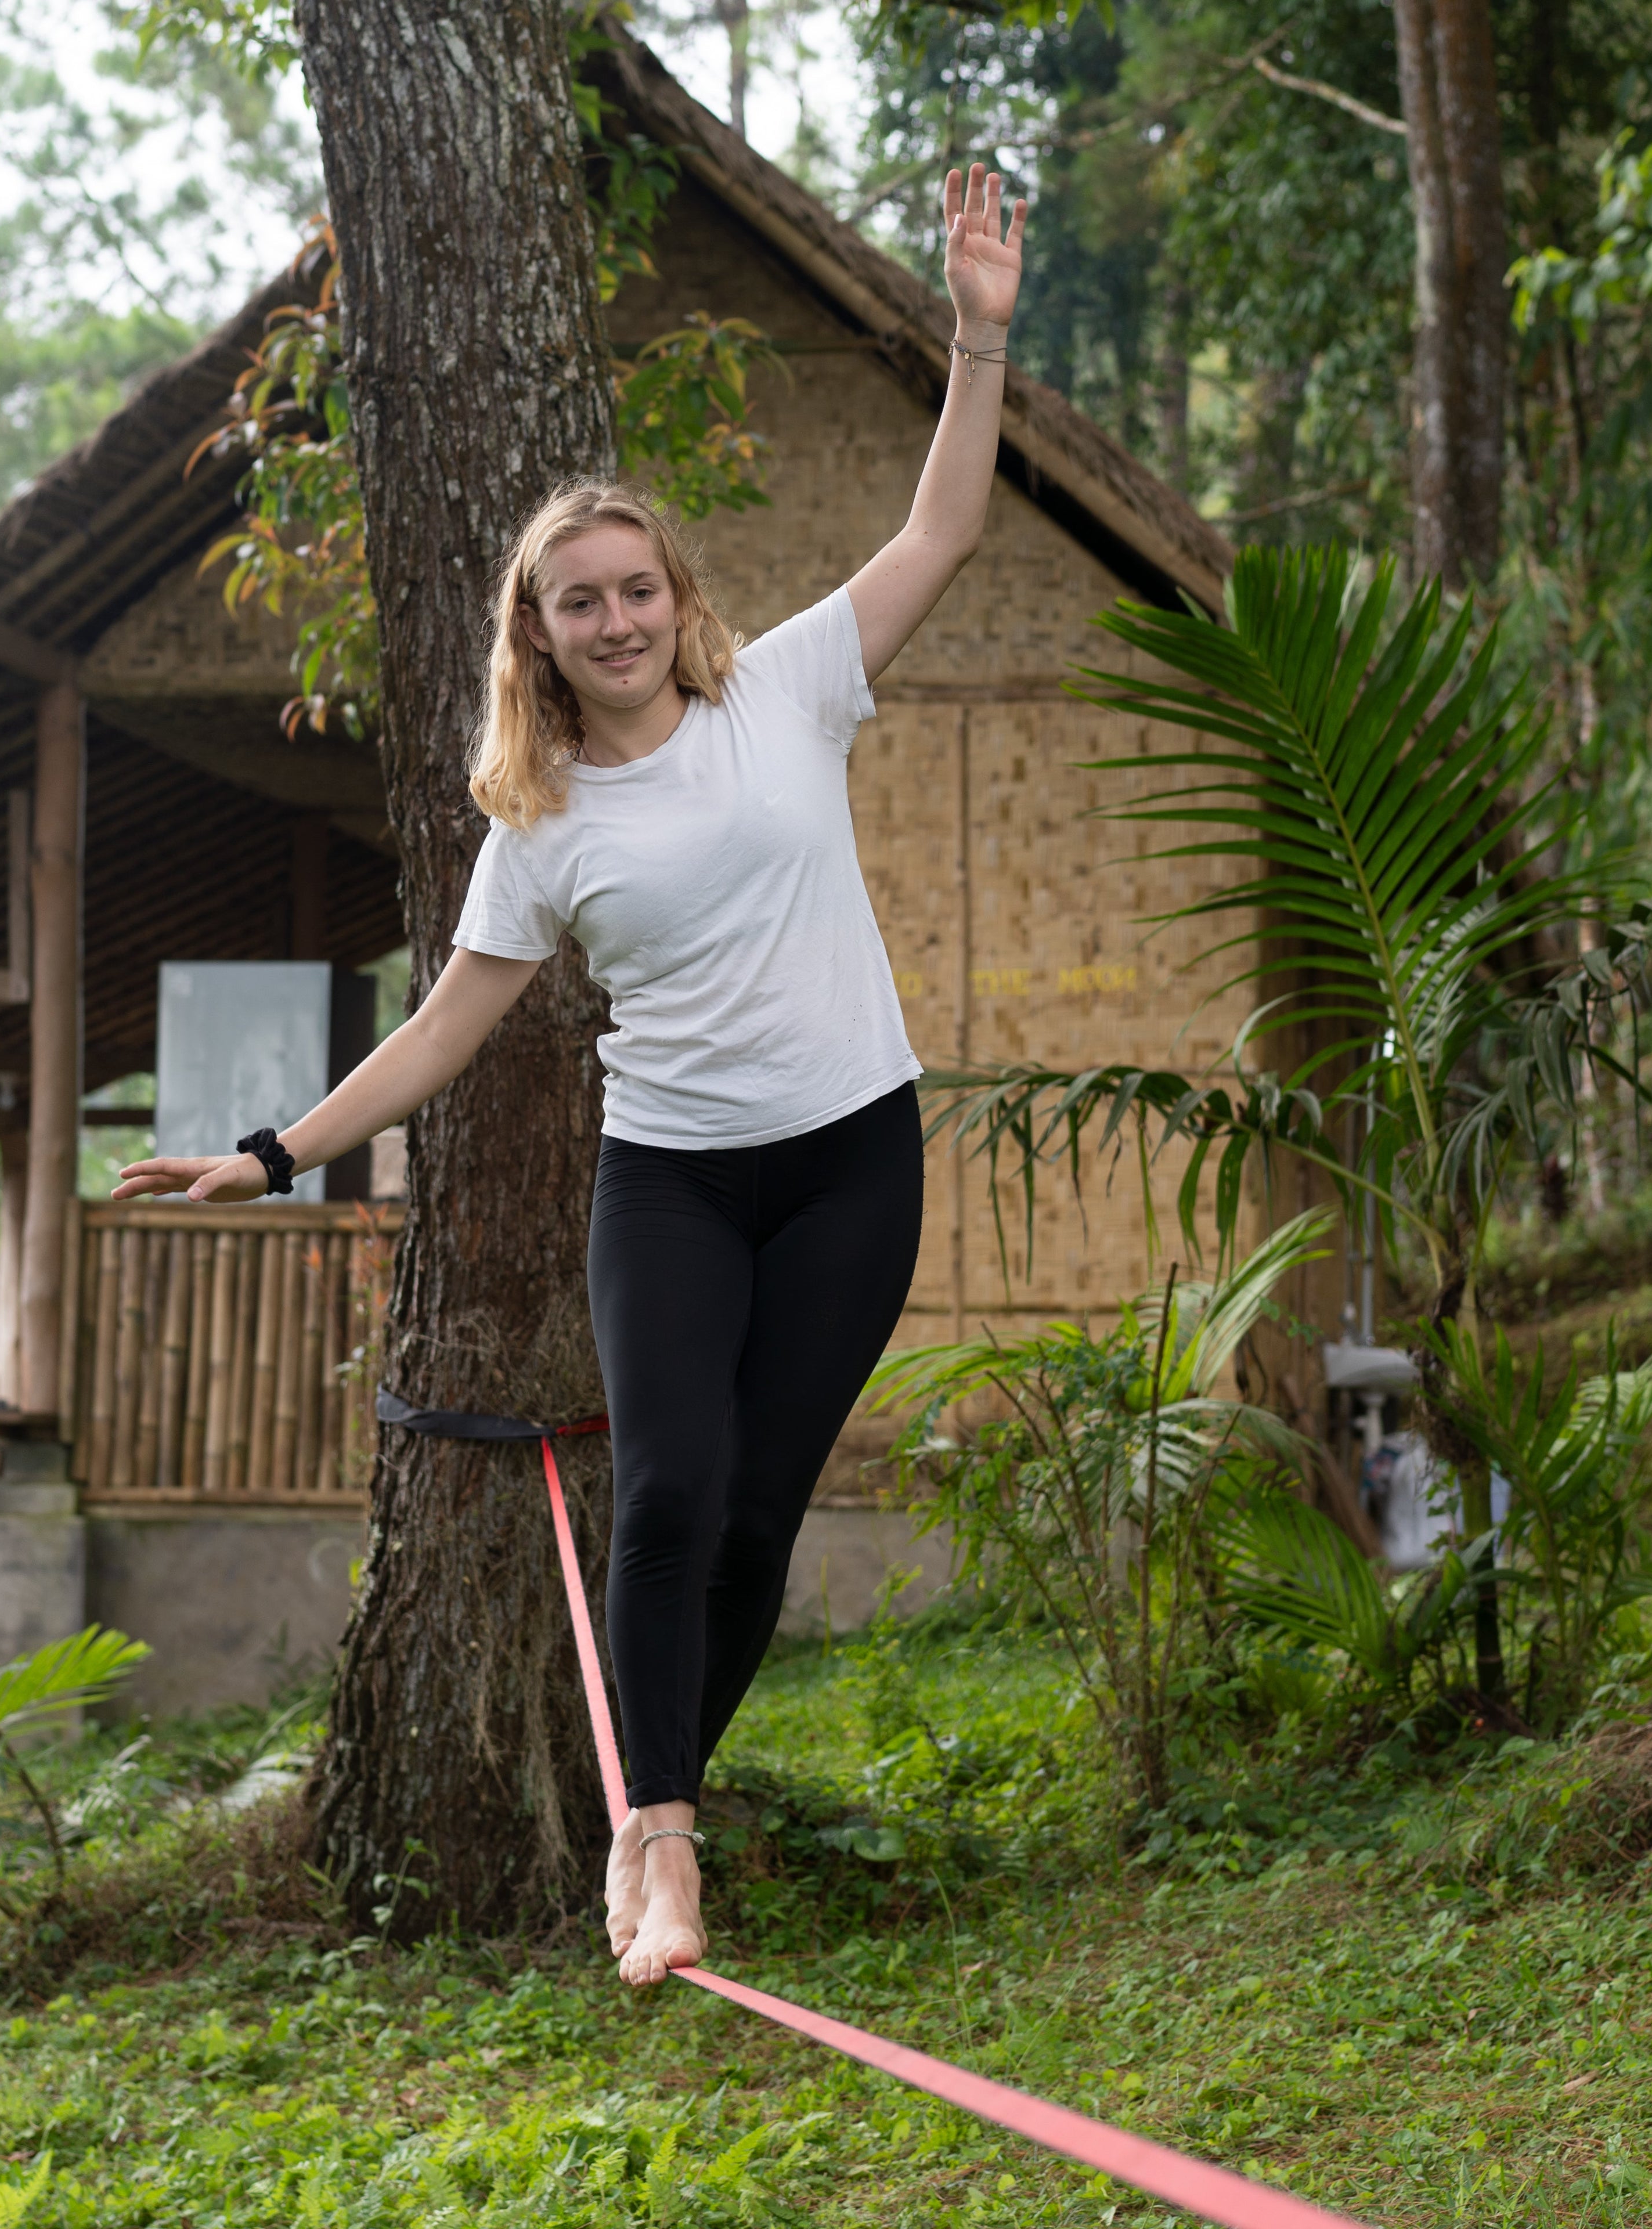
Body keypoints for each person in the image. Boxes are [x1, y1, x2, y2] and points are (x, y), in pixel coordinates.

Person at [116, 165, 1027, 1986]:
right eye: (577, 603)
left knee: (766, 1508)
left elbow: (940, 527)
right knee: (672, 1484)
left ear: (676, 597)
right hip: (674, 1178)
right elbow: (449, 1029)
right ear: (538, 636)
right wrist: (271, 1150)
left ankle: (661, 1784)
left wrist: (981, 335)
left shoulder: (792, 691)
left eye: (635, 587)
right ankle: (662, 1842)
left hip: (853, 1159)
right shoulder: (536, 820)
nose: (613, 620)